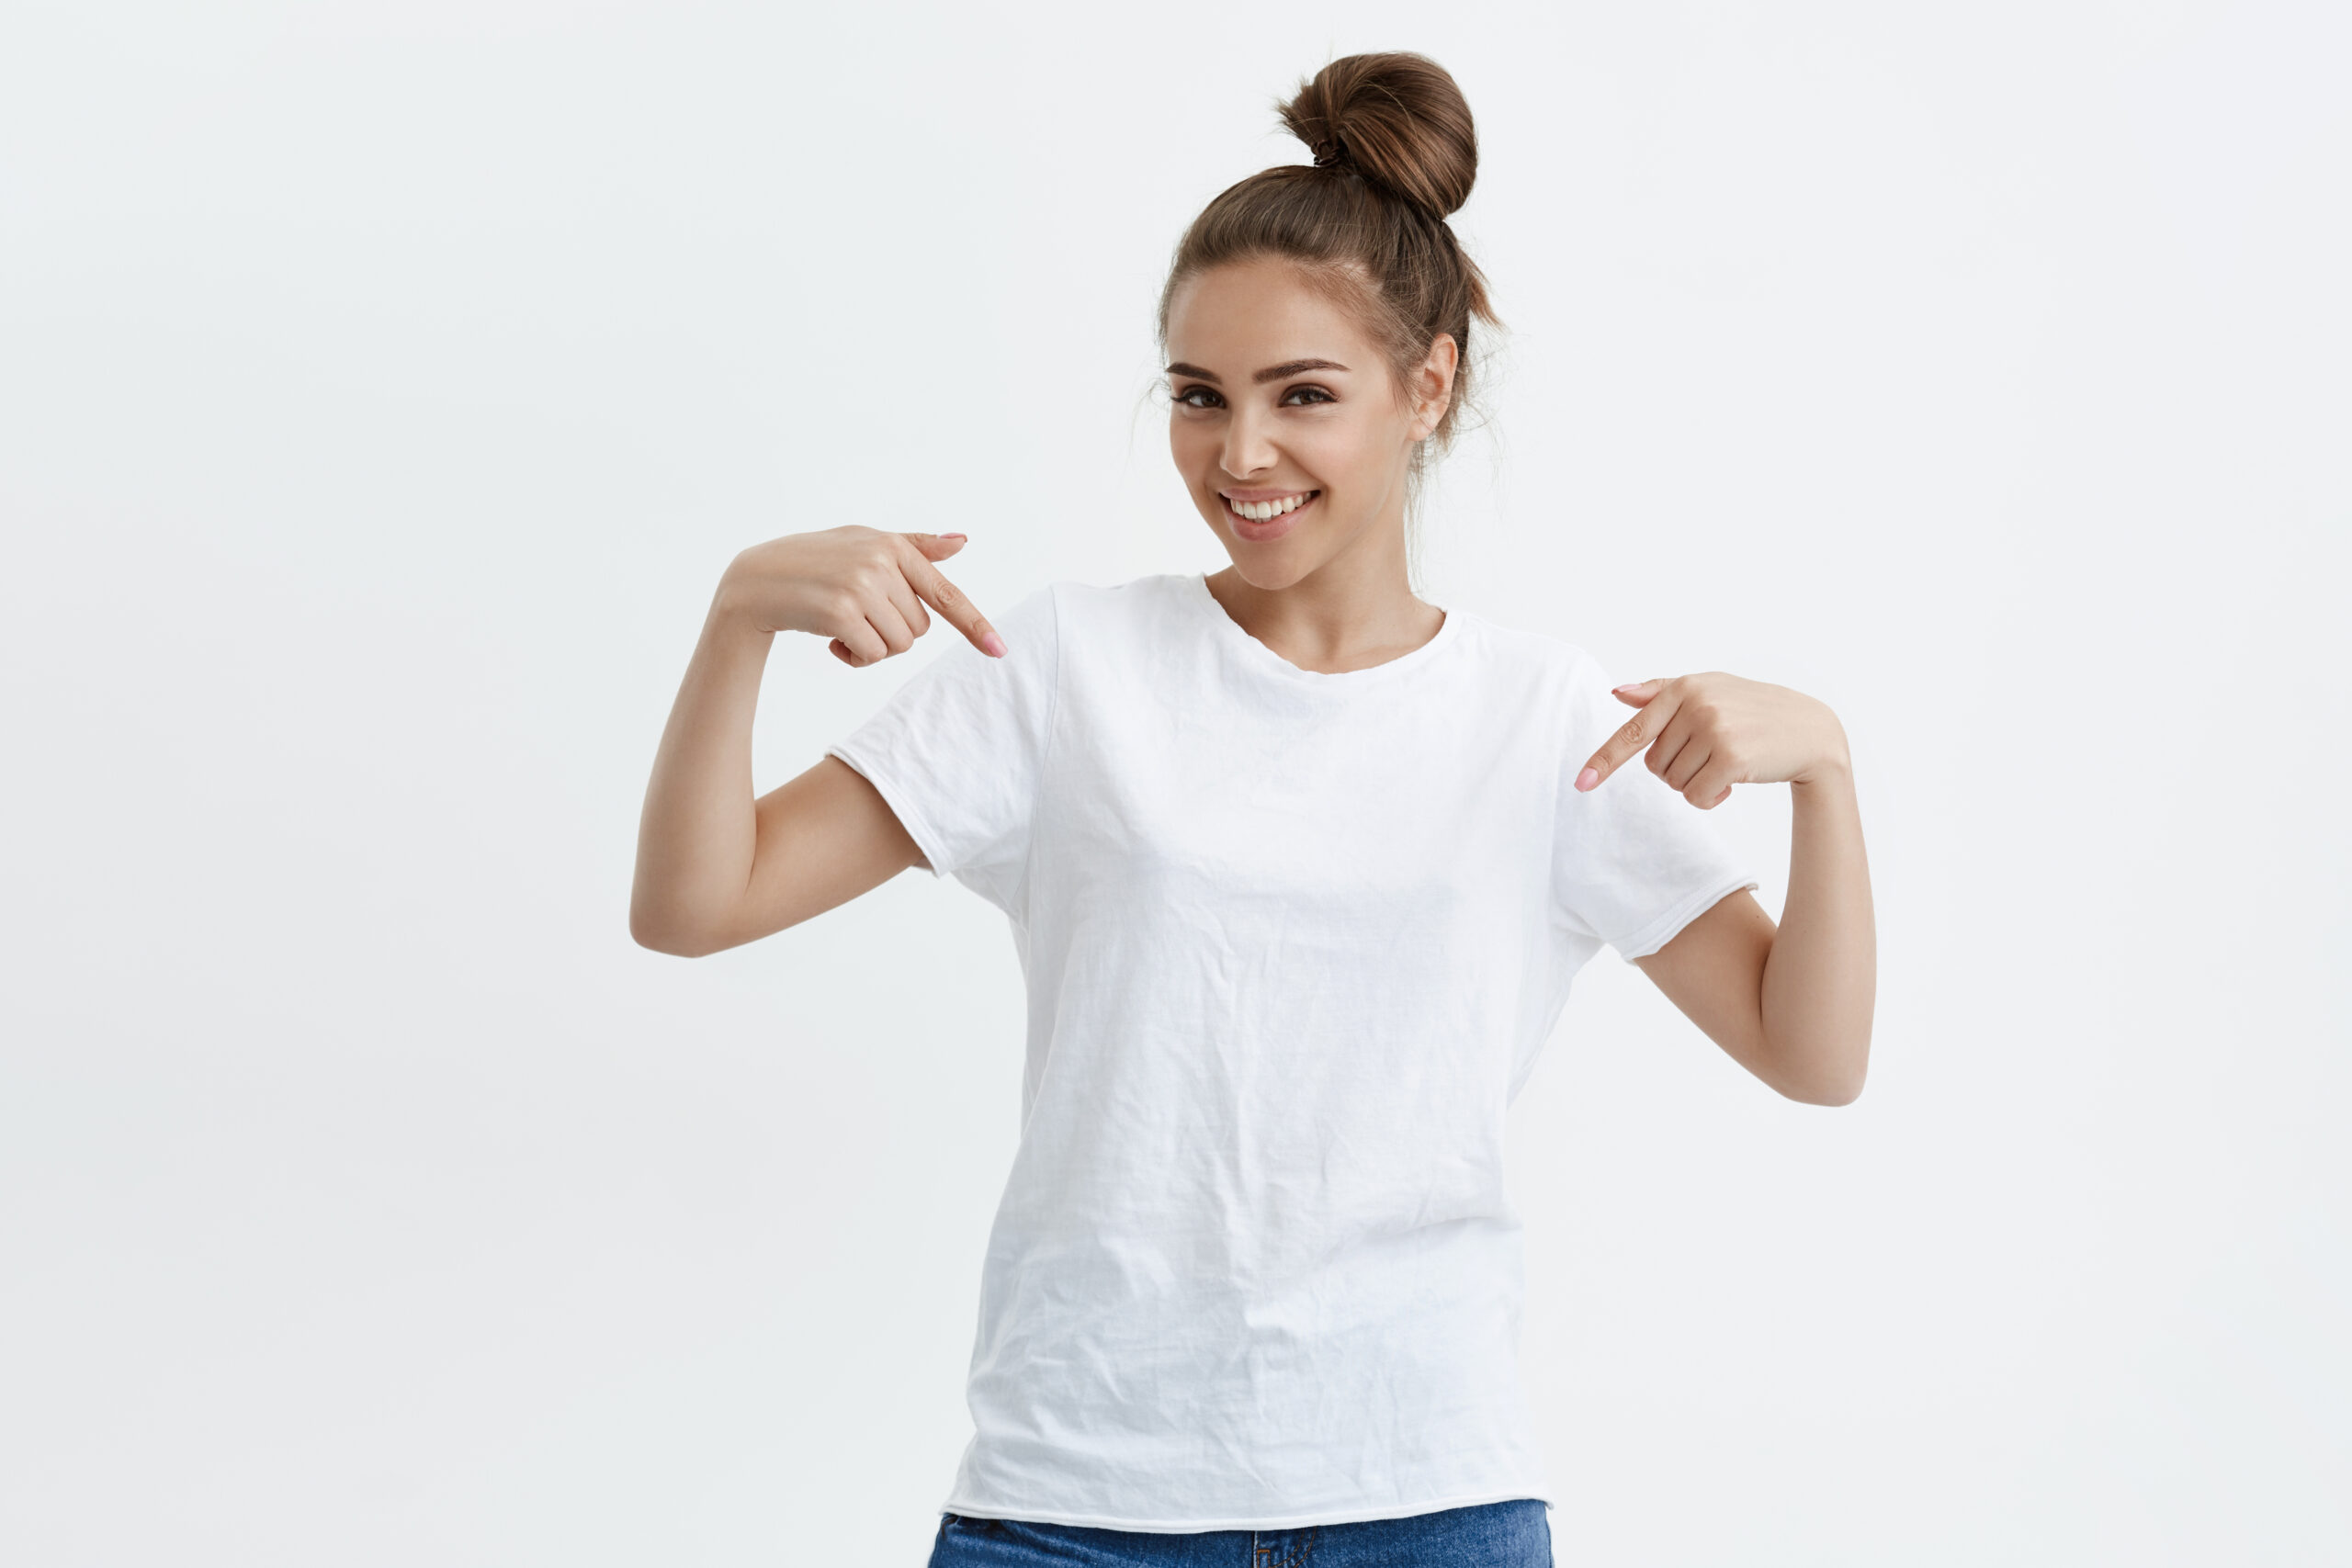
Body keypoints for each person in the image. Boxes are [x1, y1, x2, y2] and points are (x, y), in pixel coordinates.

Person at [630, 51, 1875, 1568]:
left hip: (1424, 1501)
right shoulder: (1067, 667)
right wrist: (737, 624)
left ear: (1428, 388)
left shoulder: (1541, 718)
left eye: (1304, 396)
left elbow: (1811, 1054)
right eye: (1199, 397)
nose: (1241, 455)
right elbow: (696, 906)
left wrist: (1827, 776)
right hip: (1077, 1504)